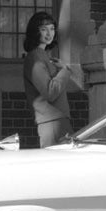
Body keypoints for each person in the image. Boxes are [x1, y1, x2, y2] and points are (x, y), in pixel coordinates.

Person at [22, 11, 73, 147]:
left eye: (52, 29)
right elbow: (50, 92)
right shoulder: (34, 57)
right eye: (43, 29)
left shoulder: (43, 56)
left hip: (57, 119)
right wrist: (65, 70)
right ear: (35, 32)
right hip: (51, 122)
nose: (49, 34)